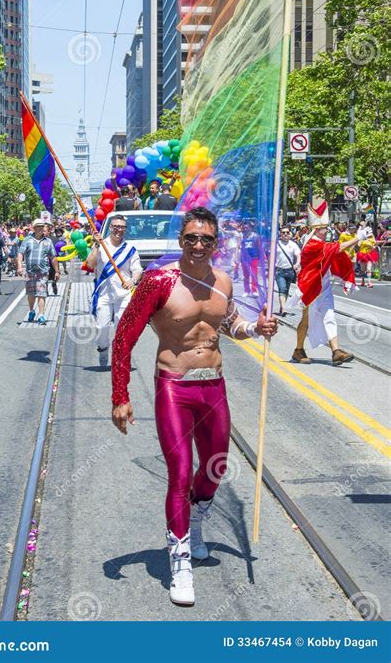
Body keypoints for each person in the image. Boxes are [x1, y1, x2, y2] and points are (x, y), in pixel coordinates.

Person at [110, 207, 278, 607]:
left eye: (206, 239)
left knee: (216, 467)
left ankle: (196, 518)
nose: (199, 245)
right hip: (174, 388)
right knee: (180, 474)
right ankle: (180, 560)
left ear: (216, 242)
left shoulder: (223, 281)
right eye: (191, 239)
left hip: (213, 387)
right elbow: (123, 339)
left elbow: (231, 325)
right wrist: (120, 396)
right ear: (181, 241)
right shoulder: (158, 281)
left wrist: (257, 328)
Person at [290, 201, 368, 366]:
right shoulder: (311, 244)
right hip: (310, 286)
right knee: (307, 320)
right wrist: (357, 238)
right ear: (316, 229)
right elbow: (335, 249)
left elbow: (336, 254)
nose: (328, 230)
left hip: (323, 285)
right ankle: (298, 350)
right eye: (325, 228)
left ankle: (336, 351)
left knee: (329, 316)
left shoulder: (323, 243)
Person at [86, 214, 142, 367]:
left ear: (125, 229)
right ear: (110, 228)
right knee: (102, 327)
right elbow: (90, 265)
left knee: (122, 326)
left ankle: (121, 358)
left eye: (122, 227)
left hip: (123, 295)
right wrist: (96, 246)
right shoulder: (101, 245)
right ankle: (103, 349)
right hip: (104, 294)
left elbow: (137, 270)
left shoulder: (130, 249)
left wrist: (133, 280)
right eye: (116, 226)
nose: (119, 230)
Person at [16, 218, 60, 325]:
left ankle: (41, 315)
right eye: (38, 226)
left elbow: (53, 257)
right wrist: (19, 267)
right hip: (30, 272)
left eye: (42, 226)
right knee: (31, 294)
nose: (40, 228)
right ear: (34, 228)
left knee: (41, 294)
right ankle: (31, 311)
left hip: (43, 272)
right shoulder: (27, 240)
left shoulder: (48, 241)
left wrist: (57, 271)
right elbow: (21, 253)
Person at [275, 226, 300, 316]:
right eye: (283, 232)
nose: (285, 234)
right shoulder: (276, 244)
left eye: (287, 232)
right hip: (279, 271)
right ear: (280, 234)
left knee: (286, 290)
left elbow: (298, 255)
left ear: (290, 234)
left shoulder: (293, 244)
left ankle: (282, 307)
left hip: (290, 271)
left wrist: (297, 263)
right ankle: (284, 308)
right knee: (282, 289)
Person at [240, 221, 261, 297]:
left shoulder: (256, 236)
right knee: (246, 275)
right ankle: (246, 291)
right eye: (244, 227)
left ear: (251, 228)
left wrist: (260, 256)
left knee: (254, 274)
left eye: (247, 227)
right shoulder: (242, 236)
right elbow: (240, 246)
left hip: (253, 257)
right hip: (244, 257)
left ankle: (254, 290)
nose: (245, 229)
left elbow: (259, 246)